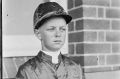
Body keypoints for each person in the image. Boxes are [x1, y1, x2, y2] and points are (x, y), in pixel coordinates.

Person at [16, 2, 85, 79]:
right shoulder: (27, 71)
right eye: (51, 29)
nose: (58, 34)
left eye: (62, 29)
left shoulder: (76, 68)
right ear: (38, 33)